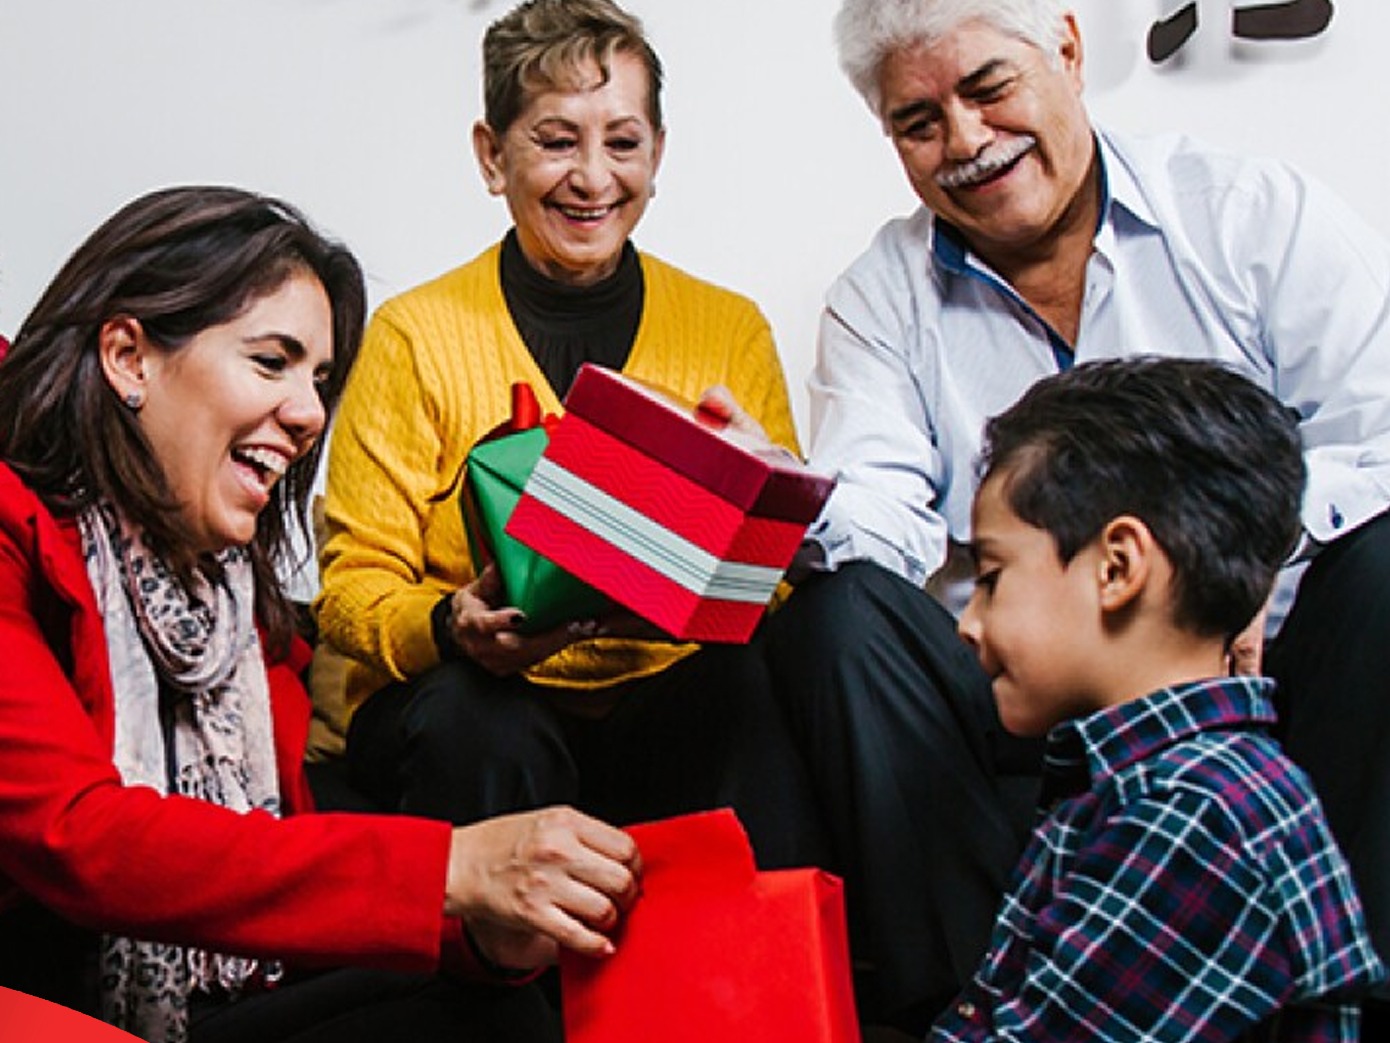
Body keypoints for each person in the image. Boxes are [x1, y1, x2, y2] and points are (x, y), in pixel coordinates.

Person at [767, 0, 1390, 1031]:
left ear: (1065, 48)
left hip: (1258, 676)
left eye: (988, 89)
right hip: (1021, 707)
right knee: (836, 617)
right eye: (919, 122)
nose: (965, 139)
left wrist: (1236, 566)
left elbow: (1378, 435)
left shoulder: (1250, 215)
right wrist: (780, 497)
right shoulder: (879, 297)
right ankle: (976, 989)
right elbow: (876, 520)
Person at [0, 185, 643, 1043]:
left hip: (226, 992)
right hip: (52, 998)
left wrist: (484, 934)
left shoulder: (232, 597)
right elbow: (77, 836)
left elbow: (283, 861)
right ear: (128, 356)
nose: (309, 415)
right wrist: (454, 867)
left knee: (498, 1002)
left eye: (319, 381)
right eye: (272, 362)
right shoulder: (14, 535)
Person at [313, 0, 822, 871]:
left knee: (755, 688)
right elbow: (350, 592)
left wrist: (744, 540)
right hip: (469, 702)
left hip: (663, 698)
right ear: (491, 155)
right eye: (556, 141)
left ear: (658, 154)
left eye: (623, 143)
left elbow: (773, 583)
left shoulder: (729, 328)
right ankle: (493, 959)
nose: (592, 178)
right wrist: (452, 625)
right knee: (477, 719)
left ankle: (763, 951)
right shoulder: (413, 336)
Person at [941, 356, 1385, 1041]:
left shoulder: (1194, 820)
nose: (968, 624)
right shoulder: (1147, 788)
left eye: (993, 578)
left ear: (1118, 567)